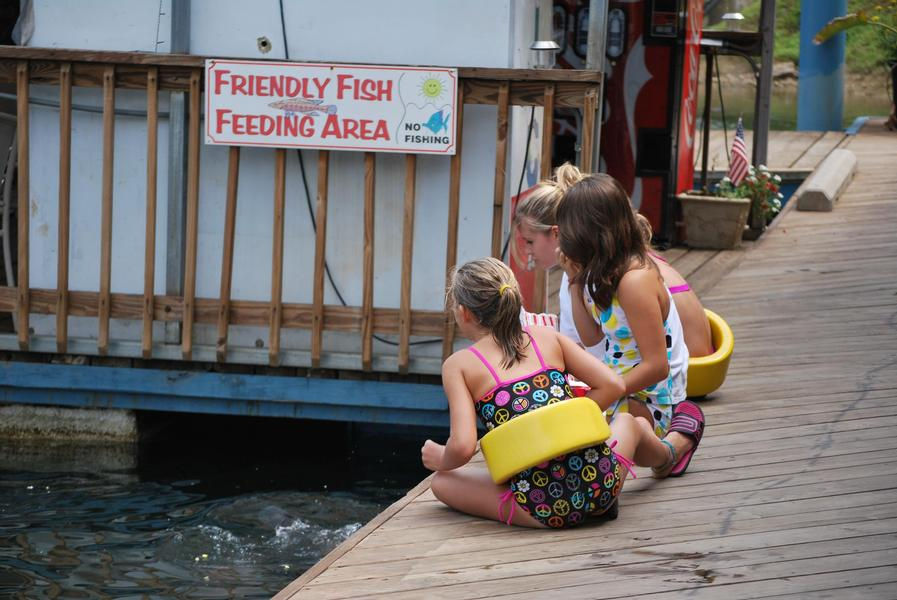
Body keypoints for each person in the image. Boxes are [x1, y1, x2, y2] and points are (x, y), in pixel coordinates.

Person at [421, 257, 681, 528]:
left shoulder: (459, 365)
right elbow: (613, 385)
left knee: (443, 481)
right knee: (630, 423)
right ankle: (666, 458)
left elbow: (462, 447)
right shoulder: (546, 336)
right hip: (602, 483)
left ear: (465, 313)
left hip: (544, 507)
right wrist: (567, 420)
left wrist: (440, 457)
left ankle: (570, 505)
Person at [555, 173, 703, 474]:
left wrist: (608, 390)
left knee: (595, 444)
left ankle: (675, 445)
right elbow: (593, 338)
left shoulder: (635, 282)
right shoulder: (600, 273)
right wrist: (574, 282)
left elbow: (657, 366)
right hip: (617, 385)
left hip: (646, 395)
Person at [515, 163, 713, 359]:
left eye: (530, 241)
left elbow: (593, 350)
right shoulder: (630, 261)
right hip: (697, 361)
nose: (527, 250)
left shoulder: (614, 276)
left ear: (557, 232)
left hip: (681, 372)